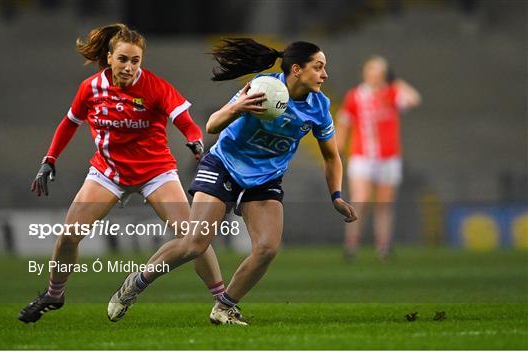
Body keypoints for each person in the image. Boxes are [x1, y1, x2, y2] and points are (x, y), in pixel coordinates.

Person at [107, 38, 358, 325]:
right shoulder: (262, 86)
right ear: (297, 69)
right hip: (224, 165)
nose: (325, 74)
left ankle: (224, 307)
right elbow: (213, 125)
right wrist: (238, 107)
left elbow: (331, 157)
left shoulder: (320, 106)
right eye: (319, 67)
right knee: (195, 244)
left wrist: (336, 195)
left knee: (267, 248)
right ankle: (136, 283)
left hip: (265, 179)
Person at [19, 23, 226, 323]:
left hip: (156, 172)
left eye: (135, 60)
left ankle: (222, 301)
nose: (129, 67)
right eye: (123, 59)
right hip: (108, 172)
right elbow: (69, 123)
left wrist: (194, 138)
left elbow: (185, 121)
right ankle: (54, 294)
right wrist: (49, 158)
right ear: (109, 57)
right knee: (68, 236)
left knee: (194, 238)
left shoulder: (155, 86)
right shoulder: (90, 88)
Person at [335, 55, 421, 260]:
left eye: (380, 73)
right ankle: (351, 245)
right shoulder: (355, 96)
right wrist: (337, 150)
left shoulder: (391, 93)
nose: (375, 76)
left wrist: (395, 80)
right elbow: (344, 123)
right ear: (365, 73)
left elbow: (414, 99)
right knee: (361, 200)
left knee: (385, 203)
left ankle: (384, 246)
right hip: (362, 156)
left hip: (389, 157)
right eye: (372, 72)